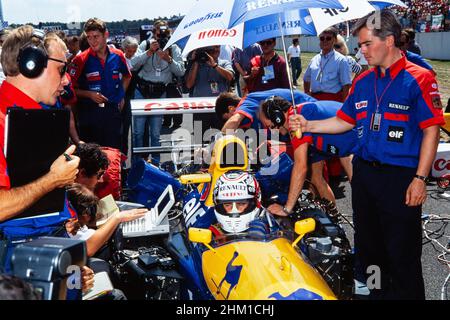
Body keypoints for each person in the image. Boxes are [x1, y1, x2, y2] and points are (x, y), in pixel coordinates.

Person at [290, 10, 445, 300]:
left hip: (401, 178)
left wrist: (421, 179)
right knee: (369, 249)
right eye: (359, 45)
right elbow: (345, 120)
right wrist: (308, 125)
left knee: (402, 254)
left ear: (388, 41)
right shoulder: (362, 81)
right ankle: (375, 295)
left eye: (366, 44)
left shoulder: (419, 78)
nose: (360, 51)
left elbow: (431, 131)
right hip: (364, 176)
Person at [0, 26, 80, 272]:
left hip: (45, 253)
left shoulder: (32, 117)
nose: (66, 80)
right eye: (62, 69)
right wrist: (53, 180)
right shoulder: (3, 121)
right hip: (22, 264)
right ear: (31, 64)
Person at [257, 97, 356, 216]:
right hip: (341, 144)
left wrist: (287, 209)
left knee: (360, 190)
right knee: (315, 177)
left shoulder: (296, 122)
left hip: (358, 141)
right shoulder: (297, 113)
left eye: (271, 126)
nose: (272, 131)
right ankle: (333, 218)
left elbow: (300, 167)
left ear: (277, 118)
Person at [69, 18, 132, 150]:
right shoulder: (80, 60)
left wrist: (121, 95)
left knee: (114, 155)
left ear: (106, 35)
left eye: (96, 36)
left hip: (112, 113)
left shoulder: (118, 55)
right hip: (89, 115)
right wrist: (89, 94)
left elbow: (127, 76)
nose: (92, 41)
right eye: (89, 37)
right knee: (93, 159)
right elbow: (69, 89)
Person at [131, 21, 185, 164]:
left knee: (155, 133)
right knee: (138, 132)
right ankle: (137, 163)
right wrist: (149, 53)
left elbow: (181, 71)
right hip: (142, 91)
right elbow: (132, 64)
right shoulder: (145, 44)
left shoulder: (173, 48)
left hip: (160, 92)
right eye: (158, 32)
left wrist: (169, 59)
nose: (160, 36)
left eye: (164, 33)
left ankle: (155, 163)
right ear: (153, 32)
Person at [211, 171, 273, 236]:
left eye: (241, 204)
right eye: (227, 205)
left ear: (256, 202)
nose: (234, 210)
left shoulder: (270, 224)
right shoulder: (210, 230)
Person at [303, 27, 352, 102]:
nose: (325, 41)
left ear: (334, 40)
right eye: (322, 38)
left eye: (328, 38)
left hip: (332, 101)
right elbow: (306, 79)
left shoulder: (341, 60)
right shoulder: (314, 59)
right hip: (314, 100)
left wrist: (343, 105)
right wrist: (307, 93)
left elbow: (346, 85)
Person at [121, 36, 139, 156]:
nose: (131, 53)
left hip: (134, 96)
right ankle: (122, 155)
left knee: (136, 131)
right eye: (129, 51)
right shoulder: (120, 59)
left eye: (134, 51)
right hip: (124, 98)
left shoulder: (137, 59)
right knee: (123, 130)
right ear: (124, 48)